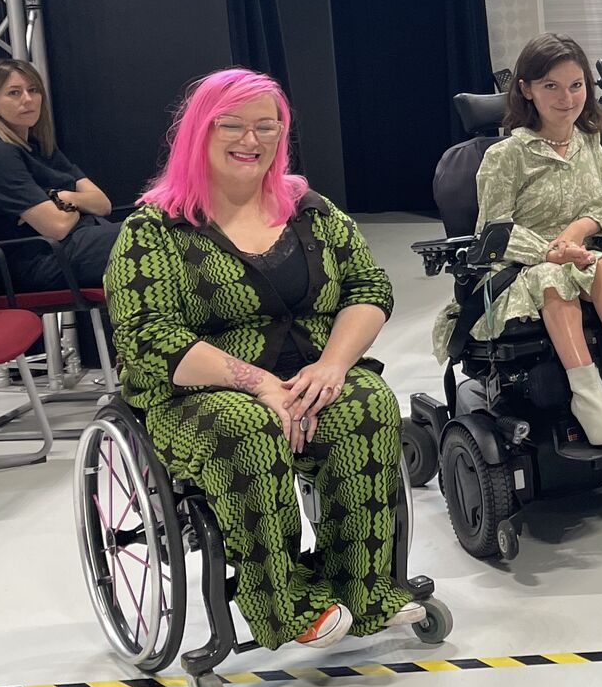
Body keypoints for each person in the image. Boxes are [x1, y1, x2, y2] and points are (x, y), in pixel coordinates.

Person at [102, 69, 428, 652]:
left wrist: (332, 365)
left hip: (307, 373)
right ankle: (280, 602)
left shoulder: (310, 210)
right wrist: (260, 385)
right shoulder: (153, 230)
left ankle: (363, 586)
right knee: (245, 428)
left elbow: (369, 288)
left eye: (266, 127)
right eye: (232, 125)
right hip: (195, 392)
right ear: (199, 132)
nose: (250, 139)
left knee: (367, 403)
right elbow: (148, 336)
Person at [467, 33, 602, 447]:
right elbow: (494, 231)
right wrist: (551, 250)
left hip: (581, 257)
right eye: (551, 86)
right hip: (519, 271)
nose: (567, 98)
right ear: (526, 90)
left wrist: (580, 229)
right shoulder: (506, 155)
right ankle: (591, 402)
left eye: (576, 85)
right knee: (555, 275)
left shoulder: (586, 142)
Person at [0, 58, 122, 292]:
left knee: (169, 230)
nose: (28, 100)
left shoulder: (41, 147)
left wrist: (61, 198)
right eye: (14, 93)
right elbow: (57, 227)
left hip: (81, 242)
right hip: (43, 261)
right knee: (152, 236)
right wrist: (73, 204)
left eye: (33, 90)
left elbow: (103, 204)